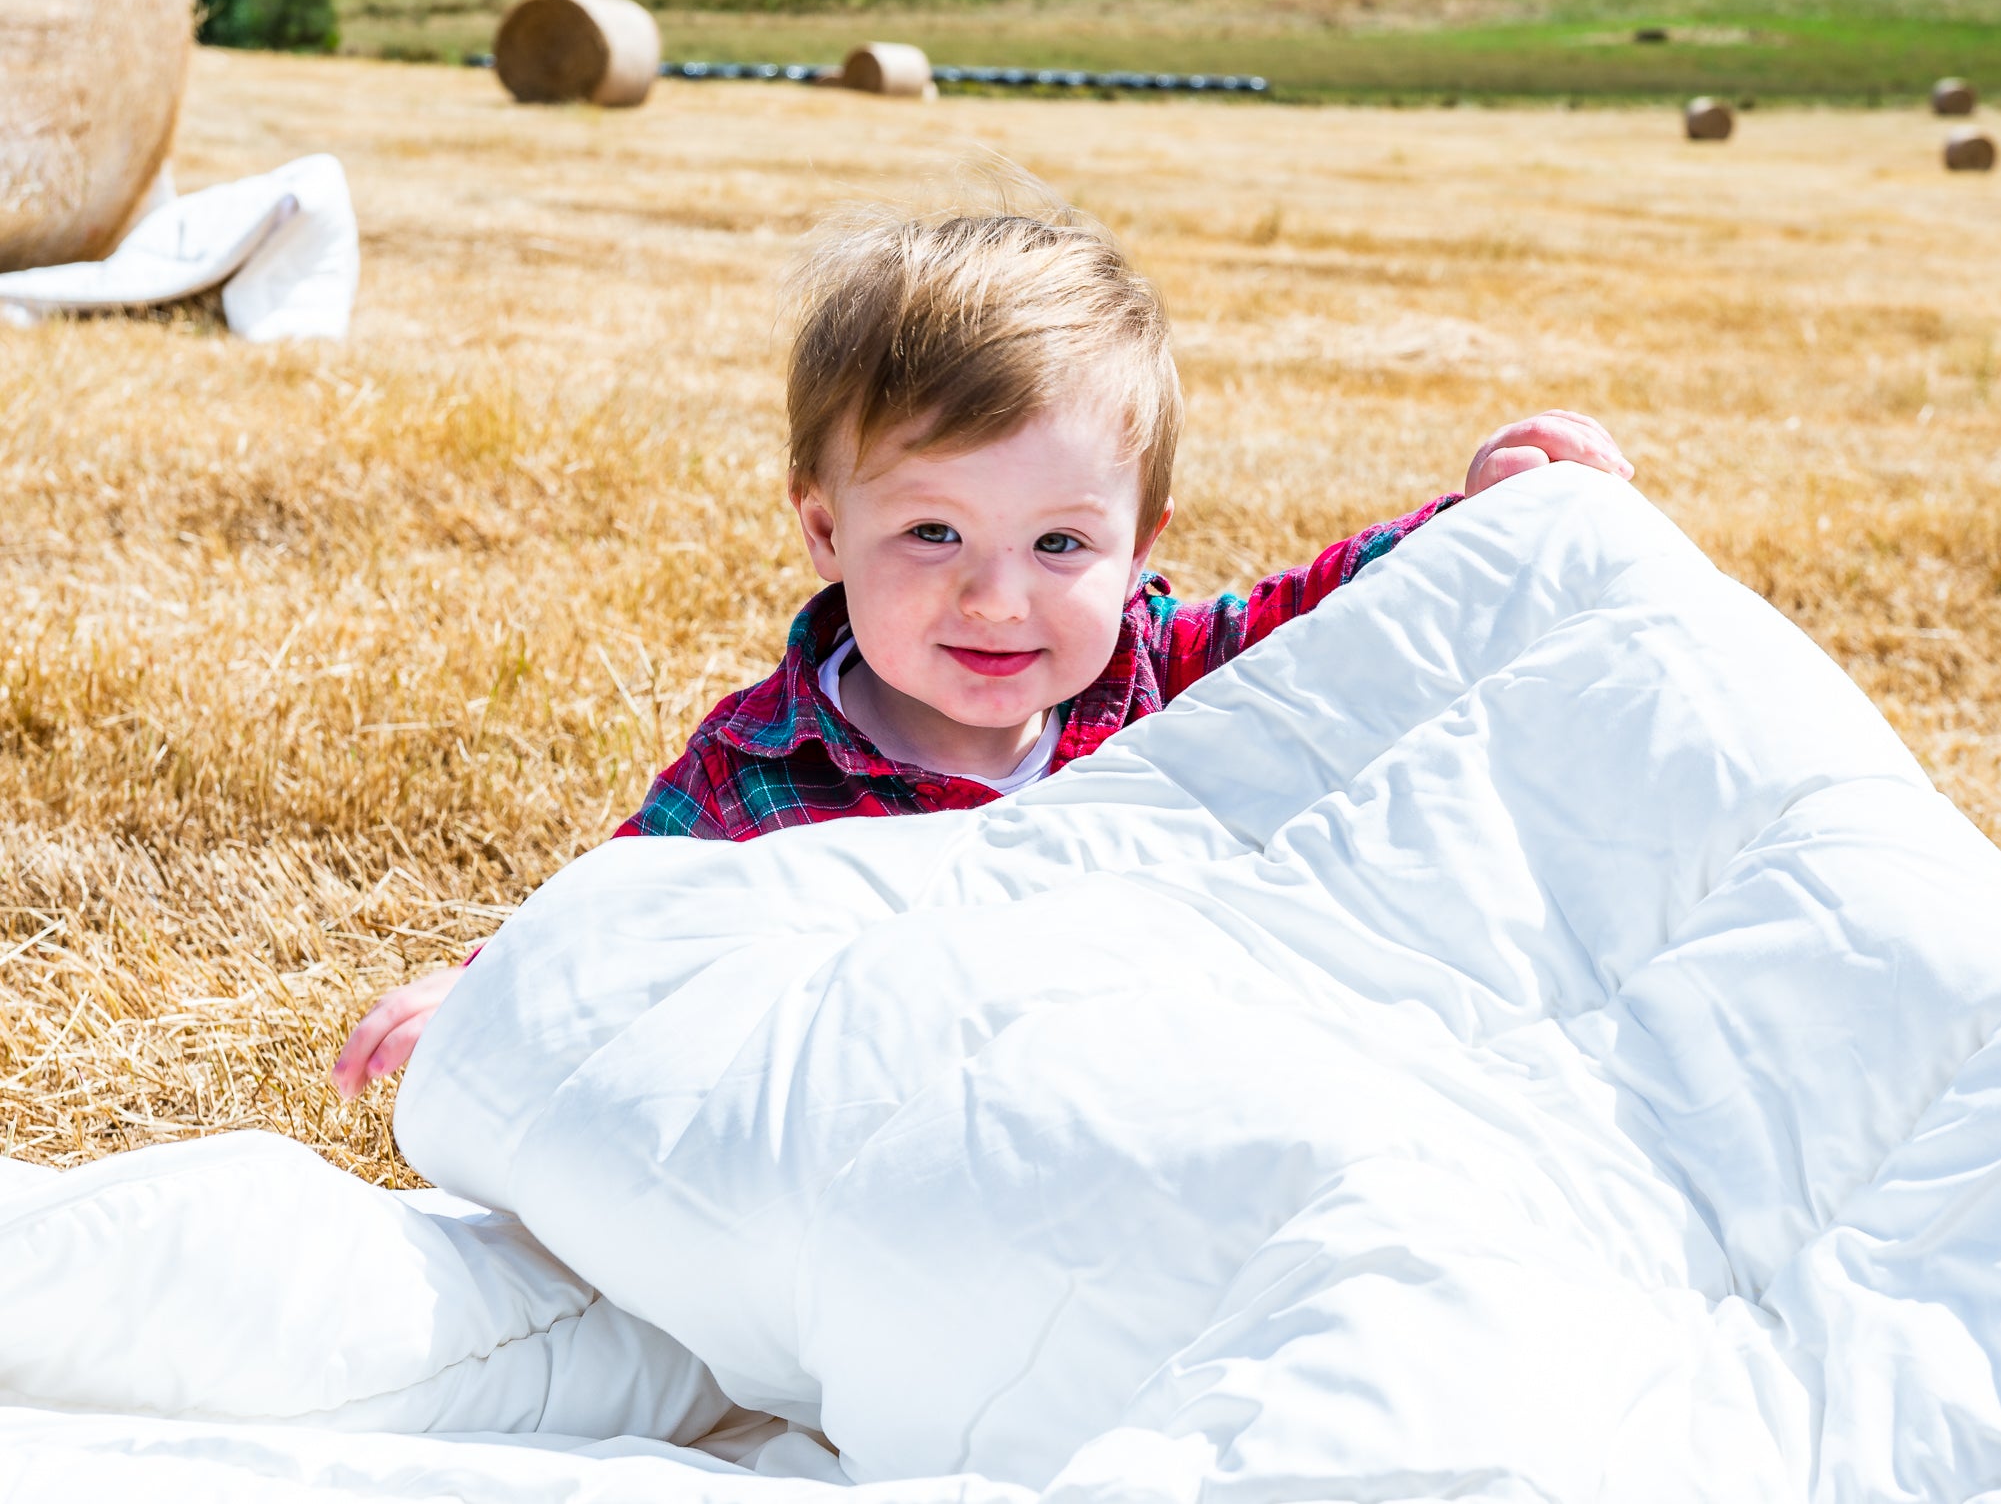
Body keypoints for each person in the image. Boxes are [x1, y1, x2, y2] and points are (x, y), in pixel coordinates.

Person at [331, 200, 1629, 1099]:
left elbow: (1332, 621)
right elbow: (621, 913)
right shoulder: (761, 766)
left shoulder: (1157, 673)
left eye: (1062, 544)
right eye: (934, 532)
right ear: (825, 529)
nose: (998, 601)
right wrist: (485, 994)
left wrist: (1474, 520)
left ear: (1140, 542)